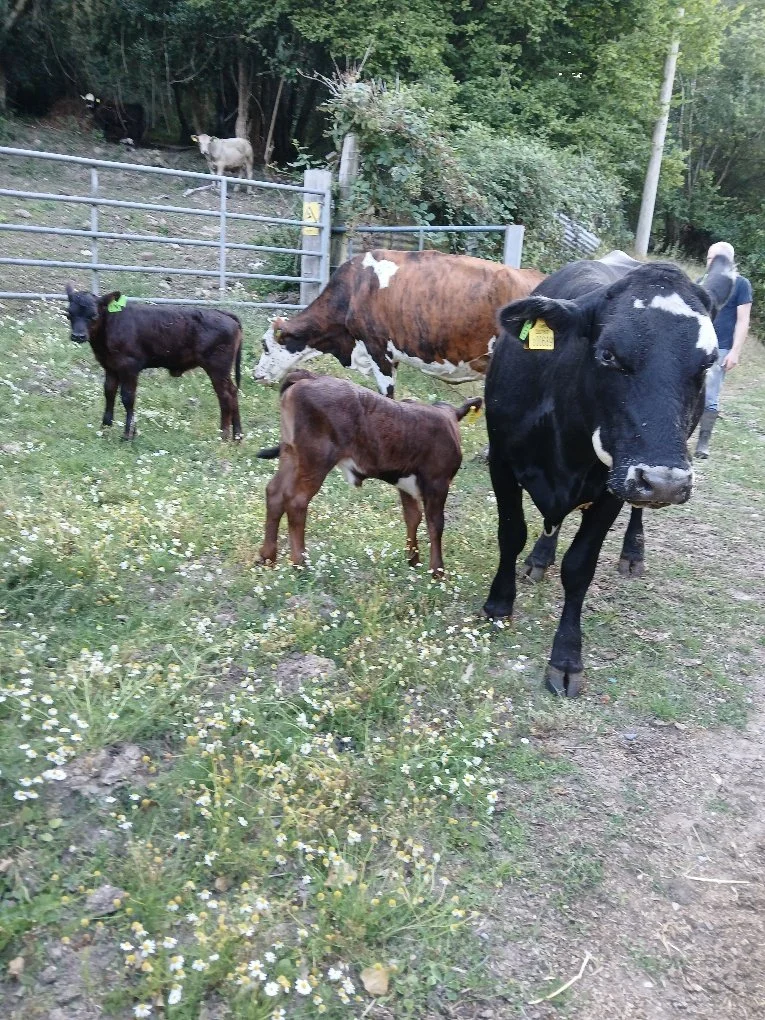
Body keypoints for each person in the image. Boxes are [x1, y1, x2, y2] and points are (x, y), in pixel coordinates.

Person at [695, 241, 752, 458]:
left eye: (713, 258)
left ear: (725, 261)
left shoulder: (741, 284)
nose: (709, 262)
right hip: (698, 347)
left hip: (721, 348)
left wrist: (735, 351)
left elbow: (743, 320)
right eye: (708, 258)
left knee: (710, 395)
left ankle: (703, 443)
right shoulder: (701, 283)